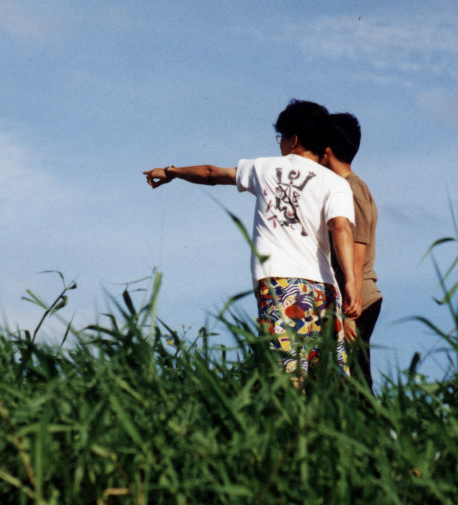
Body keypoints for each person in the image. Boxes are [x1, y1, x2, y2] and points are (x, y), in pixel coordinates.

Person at [143, 100, 362, 383]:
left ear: (293, 139)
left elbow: (211, 174)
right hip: (324, 289)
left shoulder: (265, 168)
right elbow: (340, 227)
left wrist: (171, 171)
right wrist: (351, 283)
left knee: (285, 376)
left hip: (279, 284)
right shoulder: (336, 183)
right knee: (326, 380)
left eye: (280, 138)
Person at [321, 113, 382, 391]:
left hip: (357, 301)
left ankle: (373, 435)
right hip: (357, 299)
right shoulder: (355, 186)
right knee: (353, 382)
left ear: (327, 149)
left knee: (356, 385)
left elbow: (357, 252)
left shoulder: (349, 189)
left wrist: (349, 314)